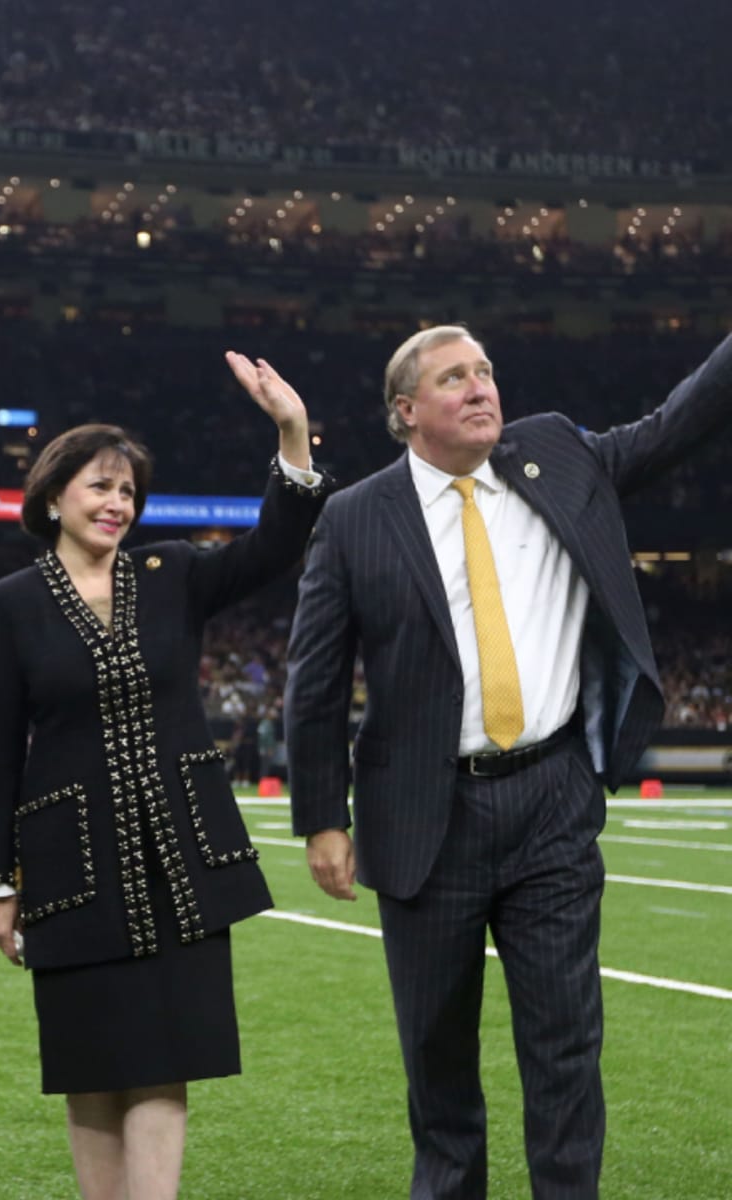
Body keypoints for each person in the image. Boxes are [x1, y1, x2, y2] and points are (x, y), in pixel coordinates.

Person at [284, 323, 732, 1198]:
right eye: (455, 377)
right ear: (408, 412)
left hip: (552, 798)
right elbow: (316, 681)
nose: (482, 387)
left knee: (567, 1043)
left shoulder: (556, 453)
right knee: (438, 1058)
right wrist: (319, 819)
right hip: (426, 814)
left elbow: (676, 423)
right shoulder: (354, 518)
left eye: (485, 370)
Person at [0, 353, 329, 1200]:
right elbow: (0, 750)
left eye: (128, 491)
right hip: (70, 866)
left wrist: (291, 431)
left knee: (168, 1056)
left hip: (183, 857)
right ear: (54, 494)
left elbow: (278, 543)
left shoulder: (173, 575)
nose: (116, 505)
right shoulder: (8, 604)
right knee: (92, 1066)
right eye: (100, 487)